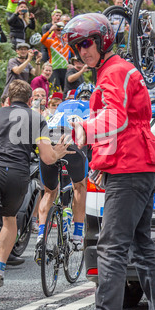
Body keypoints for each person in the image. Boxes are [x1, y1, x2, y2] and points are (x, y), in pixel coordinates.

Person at [61, 13, 155, 310]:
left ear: (102, 40)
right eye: (77, 46)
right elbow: (127, 124)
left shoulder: (113, 73)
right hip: (136, 163)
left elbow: (114, 117)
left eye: (87, 43)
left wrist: (82, 129)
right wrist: (103, 160)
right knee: (141, 245)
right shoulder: (117, 71)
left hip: (131, 167)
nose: (82, 51)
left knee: (111, 245)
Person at [0, 79, 74, 310]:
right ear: (30, 101)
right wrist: (58, 153)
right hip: (17, 175)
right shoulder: (36, 118)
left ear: (7, 99)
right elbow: (47, 158)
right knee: (9, 219)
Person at [34, 82, 92, 264]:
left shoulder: (62, 106)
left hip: (48, 141)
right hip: (71, 144)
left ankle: (41, 235)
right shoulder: (92, 107)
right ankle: (77, 235)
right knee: (80, 187)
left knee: (49, 192)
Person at [40, 21, 74, 92]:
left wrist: (74, 64)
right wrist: (50, 30)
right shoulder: (51, 42)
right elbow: (42, 40)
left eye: (62, 30)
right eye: (58, 30)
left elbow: (76, 53)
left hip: (65, 69)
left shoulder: (67, 42)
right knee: (55, 91)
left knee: (66, 91)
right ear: (55, 31)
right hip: (54, 69)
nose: (60, 32)